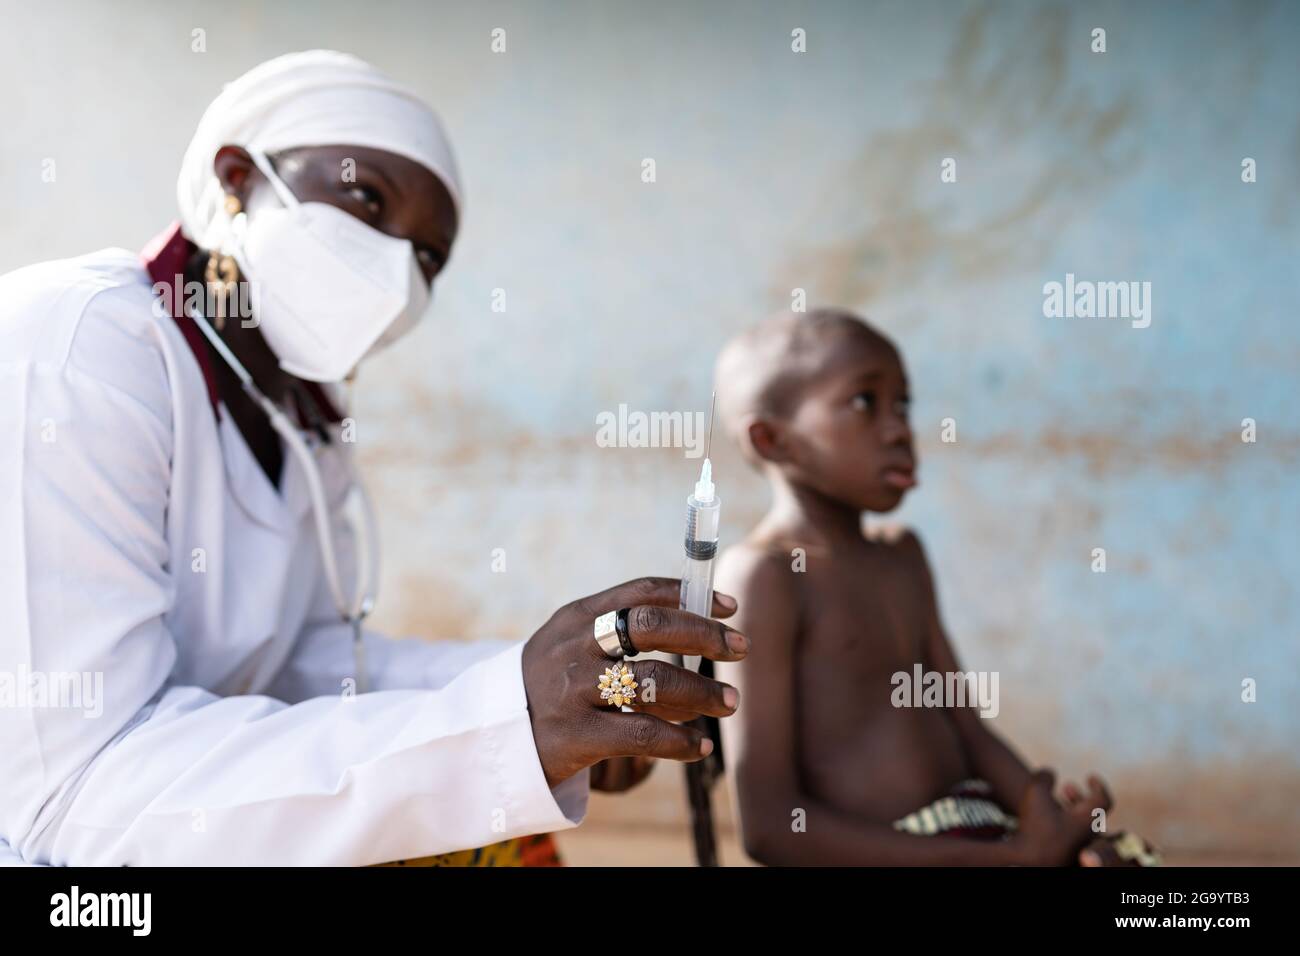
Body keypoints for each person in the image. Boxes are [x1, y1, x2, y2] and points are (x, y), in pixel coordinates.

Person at [0, 50, 745, 866]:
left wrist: (549, 691)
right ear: (238, 177)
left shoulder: (300, 417)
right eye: (365, 198)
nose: (396, 268)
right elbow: (73, 794)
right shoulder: (78, 348)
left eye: (428, 257)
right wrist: (507, 723)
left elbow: (310, 664)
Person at [711, 308, 1158, 866]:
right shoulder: (765, 577)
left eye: (903, 404)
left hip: (977, 829)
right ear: (773, 440)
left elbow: (968, 728)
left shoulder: (903, 557)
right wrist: (1014, 861)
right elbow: (772, 830)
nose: (898, 427)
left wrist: (1054, 822)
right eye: (863, 402)